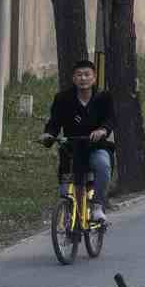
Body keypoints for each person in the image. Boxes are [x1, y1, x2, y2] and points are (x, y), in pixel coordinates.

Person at [41, 59, 116, 216]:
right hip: (71, 150)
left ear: (94, 78)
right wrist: (49, 134)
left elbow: (110, 119)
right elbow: (54, 122)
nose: (83, 78)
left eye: (87, 75)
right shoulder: (62, 99)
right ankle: (70, 219)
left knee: (103, 165)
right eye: (79, 75)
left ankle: (97, 206)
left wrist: (102, 130)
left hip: (96, 147)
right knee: (65, 192)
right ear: (73, 78)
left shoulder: (104, 97)